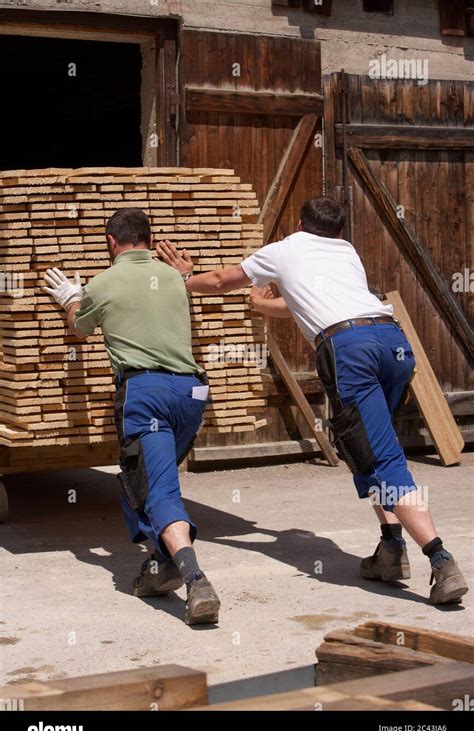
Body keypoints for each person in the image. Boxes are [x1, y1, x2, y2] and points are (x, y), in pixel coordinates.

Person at [156, 198, 468, 605]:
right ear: (338, 230)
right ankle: (390, 549)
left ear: (299, 224)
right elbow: (293, 304)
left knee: (382, 458)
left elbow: (218, 280)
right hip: (393, 343)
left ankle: (441, 559)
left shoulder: (286, 247)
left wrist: (185, 277)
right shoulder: (346, 252)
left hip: (349, 348)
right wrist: (258, 303)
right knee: (367, 446)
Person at [43, 208, 221, 626]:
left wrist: (72, 297)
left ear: (111, 242)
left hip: (146, 393)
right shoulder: (176, 279)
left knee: (157, 490)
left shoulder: (104, 284)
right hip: (192, 392)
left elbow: (79, 328)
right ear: (149, 238)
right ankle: (160, 567)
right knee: (138, 483)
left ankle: (196, 579)